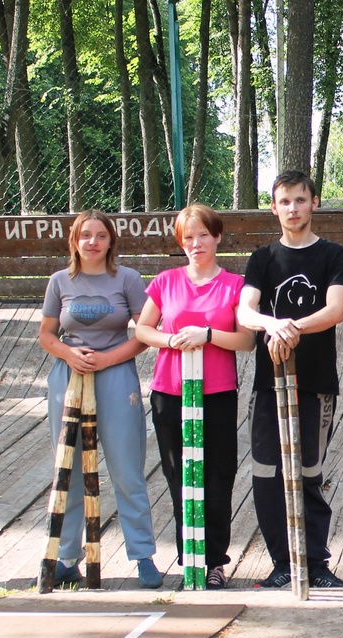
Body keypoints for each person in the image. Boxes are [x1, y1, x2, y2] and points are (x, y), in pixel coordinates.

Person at [237, 171, 343, 589]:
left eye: (300, 200)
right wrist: (274, 324)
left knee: (308, 472)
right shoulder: (262, 258)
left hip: (315, 382)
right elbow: (244, 313)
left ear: (314, 203)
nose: (293, 208)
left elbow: (335, 309)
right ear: (274, 206)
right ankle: (283, 562)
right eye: (284, 201)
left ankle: (316, 564)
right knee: (266, 474)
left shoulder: (332, 255)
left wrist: (292, 328)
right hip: (269, 384)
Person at [38, 210, 162, 589]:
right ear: (75, 240)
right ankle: (66, 559)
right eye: (85, 235)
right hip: (69, 378)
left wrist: (108, 358)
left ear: (111, 241)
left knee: (126, 470)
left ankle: (143, 556)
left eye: (100, 236)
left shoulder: (127, 279)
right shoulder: (60, 281)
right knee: (69, 468)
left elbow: (145, 332)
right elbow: (46, 334)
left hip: (114, 375)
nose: (92, 242)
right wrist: (68, 353)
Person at [134, 205, 255, 589]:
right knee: (178, 472)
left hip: (217, 391)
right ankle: (191, 558)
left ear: (217, 237)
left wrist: (208, 335)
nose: (196, 243)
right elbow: (142, 329)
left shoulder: (235, 285)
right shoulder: (166, 281)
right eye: (188, 237)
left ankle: (216, 559)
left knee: (218, 473)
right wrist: (170, 340)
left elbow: (246, 340)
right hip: (169, 391)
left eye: (203, 235)